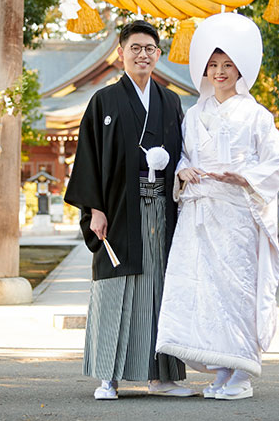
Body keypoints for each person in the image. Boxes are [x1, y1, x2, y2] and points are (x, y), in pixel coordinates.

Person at [156, 12, 279, 400]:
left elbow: (276, 158)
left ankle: (242, 372)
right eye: (213, 65)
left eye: (227, 65)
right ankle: (221, 367)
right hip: (200, 213)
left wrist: (245, 177)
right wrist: (184, 172)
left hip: (234, 213)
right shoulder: (194, 114)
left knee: (236, 290)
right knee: (206, 292)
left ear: (240, 69)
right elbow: (181, 157)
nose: (219, 72)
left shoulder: (255, 114)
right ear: (204, 70)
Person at [65, 20, 194, 399]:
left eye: (150, 48)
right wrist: (94, 210)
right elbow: (88, 158)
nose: (143, 54)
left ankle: (161, 377)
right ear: (120, 53)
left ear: (159, 54)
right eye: (135, 47)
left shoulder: (170, 101)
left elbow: (185, 153)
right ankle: (109, 375)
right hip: (119, 207)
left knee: (159, 287)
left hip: (162, 207)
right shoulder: (103, 101)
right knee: (115, 283)